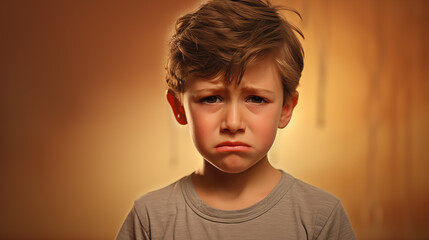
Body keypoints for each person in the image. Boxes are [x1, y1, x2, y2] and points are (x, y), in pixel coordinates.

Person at [117, 0, 356, 239]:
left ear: (286, 108)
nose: (232, 123)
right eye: (211, 99)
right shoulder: (149, 219)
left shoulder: (321, 218)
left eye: (256, 99)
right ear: (179, 108)